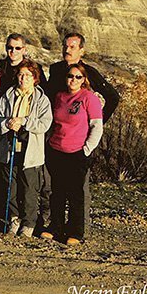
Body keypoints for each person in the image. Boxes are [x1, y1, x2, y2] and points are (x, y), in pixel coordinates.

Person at [43, 63, 104, 245]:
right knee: (57, 192)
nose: (73, 80)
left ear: (84, 79)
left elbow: (96, 127)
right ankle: (56, 227)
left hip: (77, 153)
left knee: (75, 194)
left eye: (78, 77)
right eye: (70, 76)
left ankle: (75, 232)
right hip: (56, 150)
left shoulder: (89, 98)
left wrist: (86, 149)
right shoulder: (60, 97)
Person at [0, 61, 53, 237]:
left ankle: (28, 223)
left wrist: (24, 122)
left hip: (31, 149)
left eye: (28, 75)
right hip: (9, 147)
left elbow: (45, 123)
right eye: (20, 74)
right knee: (10, 186)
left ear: (35, 78)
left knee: (29, 189)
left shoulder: (41, 99)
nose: (23, 78)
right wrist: (6, 123)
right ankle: (14, 218)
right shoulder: (8, 95)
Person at [44, 33, 121, 120]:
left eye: (72, 47)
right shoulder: (55, 69)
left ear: (81, 51)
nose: (67, 50)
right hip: (55, 122)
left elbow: (112, 97)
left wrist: (98, 120)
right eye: (65, 46)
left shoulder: (89, 72)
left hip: (78, 124)